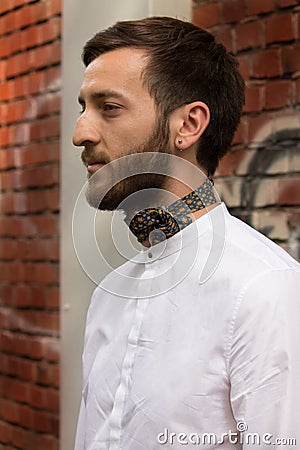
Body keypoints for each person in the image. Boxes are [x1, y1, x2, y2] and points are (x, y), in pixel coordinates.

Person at [72, 17, 300, 449]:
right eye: (82, 108)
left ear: (189, 125)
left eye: (110, 107)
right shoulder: (109, 292)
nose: (80, 132)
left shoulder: (263, 288)